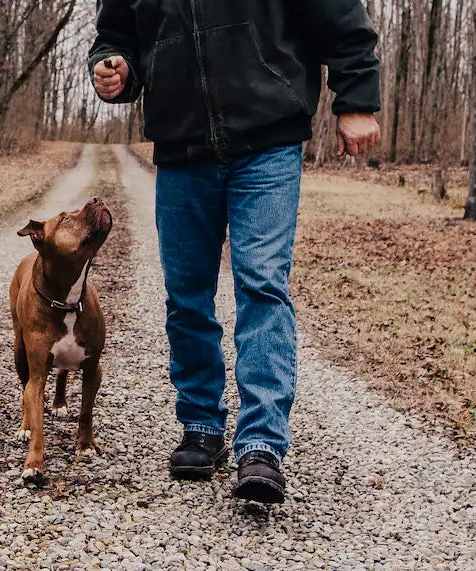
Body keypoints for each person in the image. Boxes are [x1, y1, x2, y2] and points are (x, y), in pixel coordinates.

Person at [89, 1, 381, 504]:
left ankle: (262, 444)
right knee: (186, 294)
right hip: (181, 149)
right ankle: (201, 425)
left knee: (261, 285)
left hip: (269, 139)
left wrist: (356, 98)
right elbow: (117, 35)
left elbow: (339, 17)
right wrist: (115, 68)